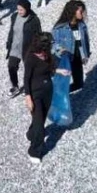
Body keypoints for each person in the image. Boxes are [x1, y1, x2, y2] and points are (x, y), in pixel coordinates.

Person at [23, 33, 56, 163]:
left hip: (48, 92)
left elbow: (51, 70)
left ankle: (31, 134)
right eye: (51, 44)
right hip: (35, 94)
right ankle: (34, 152)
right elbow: (26, 79)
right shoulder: (30, 58)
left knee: (40, 120)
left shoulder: (47, 56)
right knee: (40, 127)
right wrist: (28, 97)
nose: (52, 46)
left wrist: (59, 72)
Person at [52, 0, 90, 92]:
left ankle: (59, 93)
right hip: (64, 60)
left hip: (77, 58)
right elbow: (53, 44)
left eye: (83, 11)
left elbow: (84, 42)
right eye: (80, 11)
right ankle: (56, 97)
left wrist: (85, 55)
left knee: (79, 84)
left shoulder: (82, 26)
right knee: (63, 83)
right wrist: (61, 51)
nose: (82, 13)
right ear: (73, 12)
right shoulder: (60, 27)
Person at [5, 0, 41, 96]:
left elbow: (38, 35)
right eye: (18, 9)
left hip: (28, 49)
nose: (19, 12)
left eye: (21, 10)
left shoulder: (34, 20)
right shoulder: (14, 17)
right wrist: (9, 42)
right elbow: (11, 31)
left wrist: (37, 49)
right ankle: (15, 86)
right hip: (15, 47)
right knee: (11, 66)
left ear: (27, 8)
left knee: (29, 69)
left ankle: (29, 87)